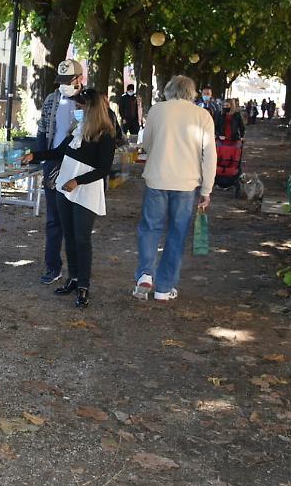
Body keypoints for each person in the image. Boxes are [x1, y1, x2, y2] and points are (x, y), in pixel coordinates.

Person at [21, 89, 116, 308]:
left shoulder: (106, 134)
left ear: (91, 109)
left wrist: (78, 181)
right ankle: (73, 278)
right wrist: (35, 155)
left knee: (82, 238)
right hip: (65, 188)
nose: (76, 111)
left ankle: (83, 285)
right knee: (70, 236)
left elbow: (103, 169)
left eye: (80, 107)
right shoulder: (76, 131)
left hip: (85, 190)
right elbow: (58, 152)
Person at [132, 75, 217, 302]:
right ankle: (164, 287)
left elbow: (147, 144)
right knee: (176, 234)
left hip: (157, 179)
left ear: (169, 91)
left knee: (150, 228)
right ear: (193, 92)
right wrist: (207, 190)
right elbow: (209, 155)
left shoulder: (157, 110)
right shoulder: (203, 116)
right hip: (186, 183)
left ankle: (145, 274)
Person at [34, 58, 83, 285]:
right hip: (54, 165)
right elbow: (42, 131)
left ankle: (79, 268)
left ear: (79, 79)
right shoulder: (51, 100)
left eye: (68, 80)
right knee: (54, 220)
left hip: (79, 167)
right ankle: (53, 266)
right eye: (61, 80)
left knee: (77, 220)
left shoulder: (89, 101)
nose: (64, 84)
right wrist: (42, 160)